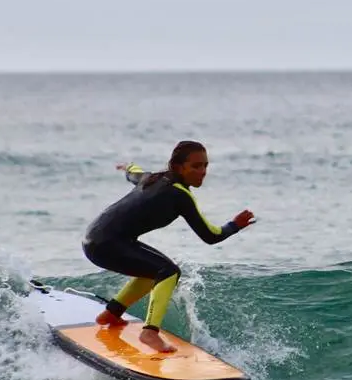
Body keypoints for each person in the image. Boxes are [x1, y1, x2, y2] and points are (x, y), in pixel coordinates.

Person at [82, 140, 255, 353]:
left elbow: (134, 173)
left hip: (95, 239)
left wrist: (126, 166)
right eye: (196, 166)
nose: (202, 172)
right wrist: (234, 225)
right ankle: (150, 332)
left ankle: (110, 314)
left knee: (153, 271)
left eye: (205, 166)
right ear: (179, 167)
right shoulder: (180, 194)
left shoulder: (152, 178)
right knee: (169, 271)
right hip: (106, 245)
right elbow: (210, 236)